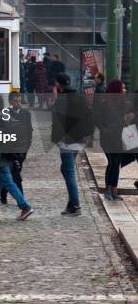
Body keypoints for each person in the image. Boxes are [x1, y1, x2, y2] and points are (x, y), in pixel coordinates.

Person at [0, 94, 34, 221]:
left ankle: (25, 206)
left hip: (0, 157)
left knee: (8, 183)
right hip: (10, 154)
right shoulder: (7, 117)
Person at [52, 72, 92, 216]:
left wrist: (55, 139)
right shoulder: (80, 97)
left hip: (67, 141)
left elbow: (57, 122)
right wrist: (88, 135)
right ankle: (71, 204)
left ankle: (75, 205)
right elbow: (89, 117)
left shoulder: (61, 100)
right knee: (65, 169)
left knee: (69, 172)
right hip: (79, 140)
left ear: (58, 84)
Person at [0, 92, 33, 205]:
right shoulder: (6, 114)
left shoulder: (26, 114)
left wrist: (27, 147)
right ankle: (20, 200)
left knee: (15, 172)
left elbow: (29, 131)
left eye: (19, 101)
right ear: (10, 102)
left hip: (21, 148)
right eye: (15, 101)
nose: (18, 103)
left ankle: (4, 195)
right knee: (15, 174)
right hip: (9, 148)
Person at [98, 79, 127, 201]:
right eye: (122, 88)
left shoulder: (123, 104)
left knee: (116, 163)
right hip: (108, 139)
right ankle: (108, 189)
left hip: (119, 138)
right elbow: (98, 120)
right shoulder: (105, 104)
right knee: (112, 162)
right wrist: (105, 130)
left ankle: (114, 189)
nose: (125, 90)